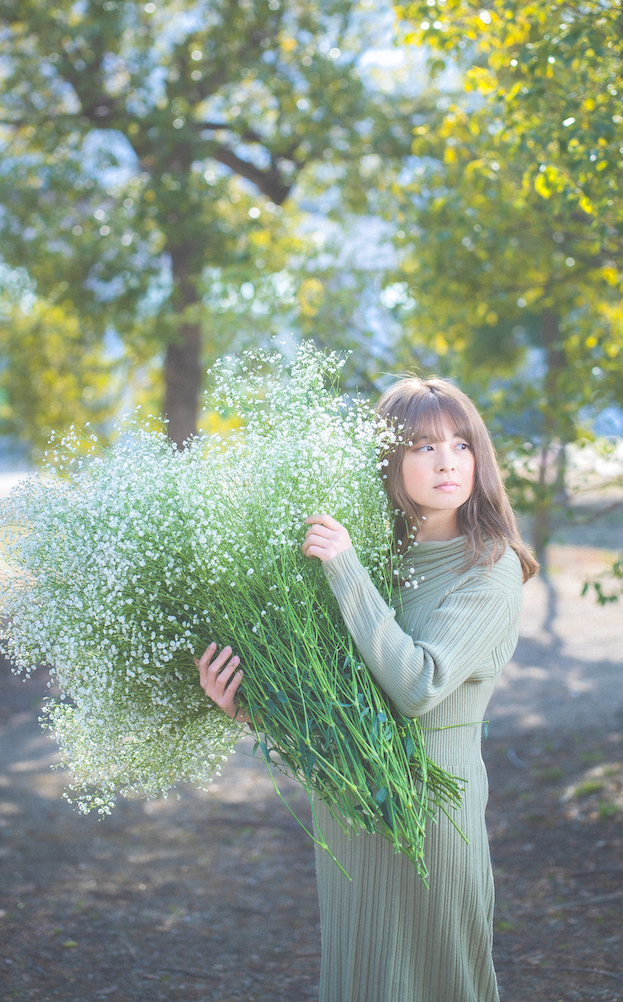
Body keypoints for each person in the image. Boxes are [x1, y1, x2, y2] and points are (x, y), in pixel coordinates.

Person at [196, 376, 538, 1002]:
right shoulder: (375, 560)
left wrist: (345, 568)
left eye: (461, 445)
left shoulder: (492, 569)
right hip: (353, 809)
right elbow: (340, 710)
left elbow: (417, 686)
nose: (446, 462)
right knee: (361, 978)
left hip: (435, 820)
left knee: (441, 982)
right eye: (423, 447)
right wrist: (248, 707)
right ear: (388, 460)